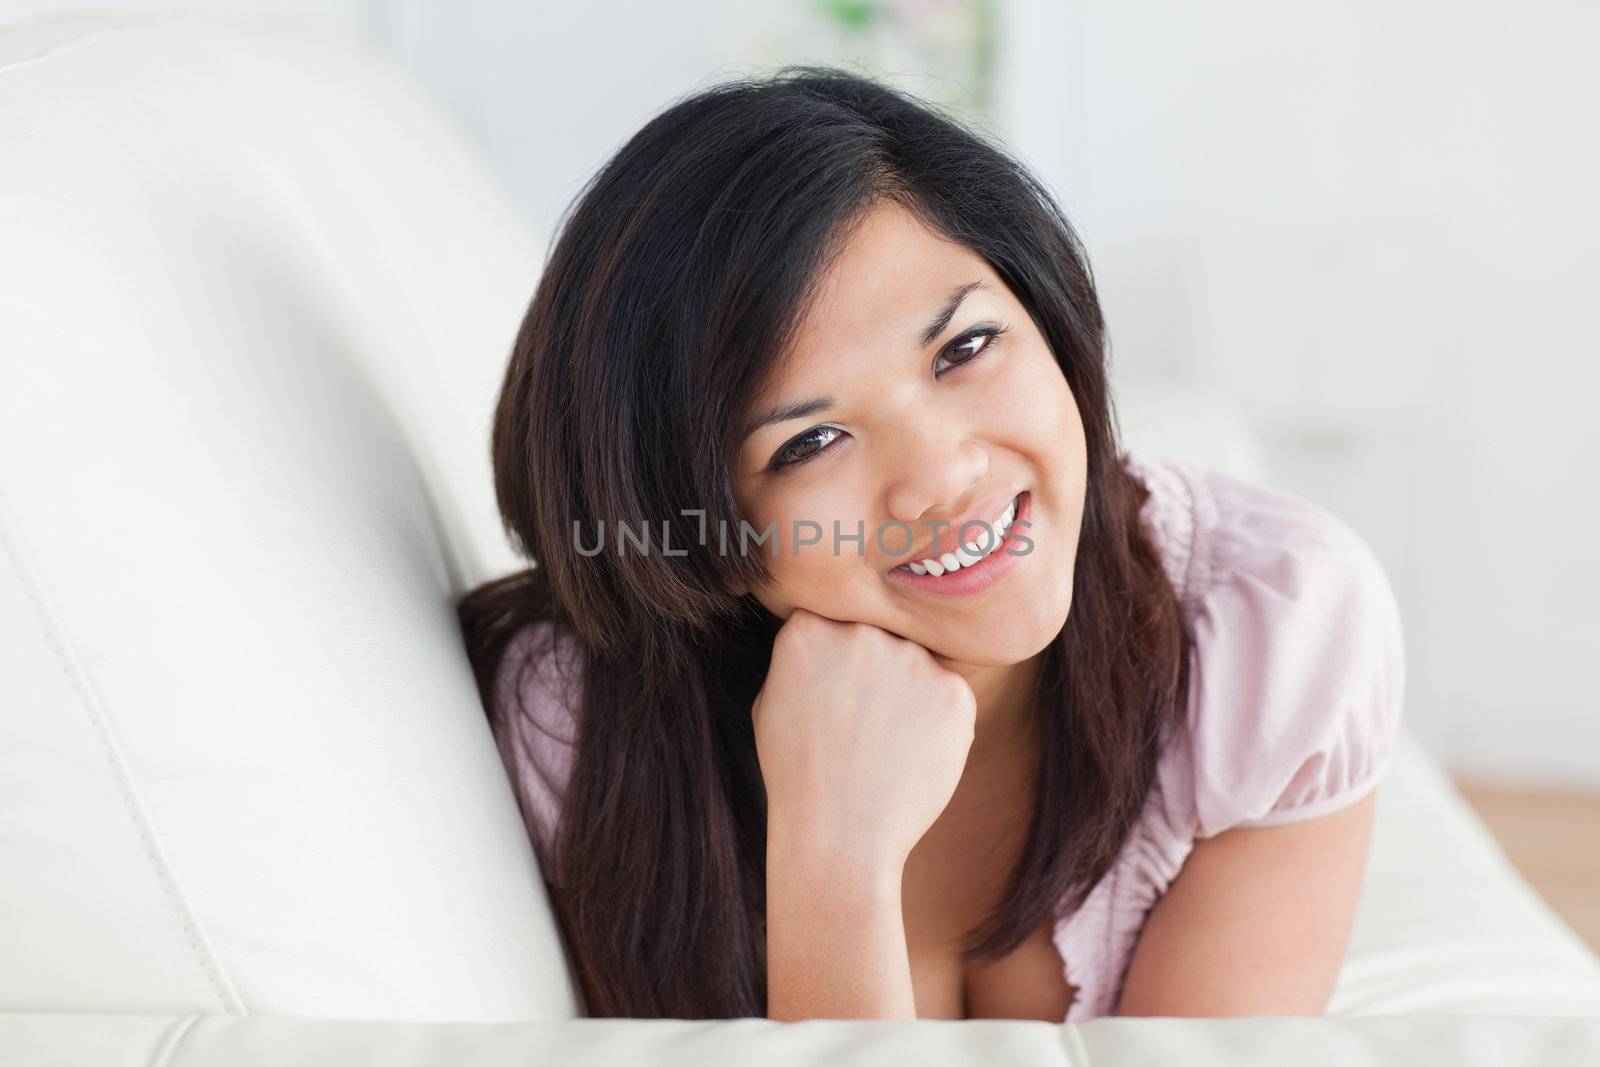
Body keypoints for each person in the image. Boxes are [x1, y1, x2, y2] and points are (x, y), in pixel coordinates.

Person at [456, 66, 1405, 1023]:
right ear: (705, 530)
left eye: (964, 348)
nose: (944, 477)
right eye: (809, 442)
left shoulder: (1275, 629)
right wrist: (834, 855)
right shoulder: (579, 724)